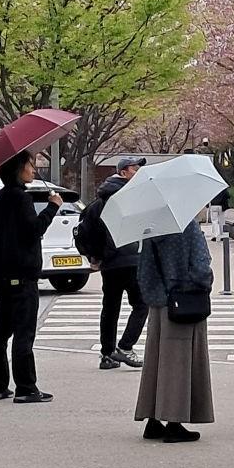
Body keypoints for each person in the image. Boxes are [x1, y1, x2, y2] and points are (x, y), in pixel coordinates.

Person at [0, 151, 62, 404]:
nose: (34, 169)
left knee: (0, 333)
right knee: (23, 334)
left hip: (3, 277)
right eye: (30, 165)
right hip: (23, 277)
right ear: (19, 168)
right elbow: (33, 230)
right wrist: (53, 207)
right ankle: (26, 387)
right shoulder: (21, 199)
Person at [135, 220, 215, 443]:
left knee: (156, 362)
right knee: (180, 364)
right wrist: (205, 282)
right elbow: (200, 269)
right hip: (184, 301)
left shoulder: (151, 228)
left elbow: (144, 269)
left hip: (159, 303)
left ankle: (152, 418)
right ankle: (173, 421)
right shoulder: (188, 227)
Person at [91, 157, 149, 370]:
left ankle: (107, 355)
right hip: (131, 259)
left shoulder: (100, 200)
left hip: (110, 263)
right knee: (141, 304)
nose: (138, 173)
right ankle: (125, 347)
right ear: (123, 173)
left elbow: (91, 230)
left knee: (110, 308)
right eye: (135, 169)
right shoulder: (131, 196)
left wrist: (97, 256)